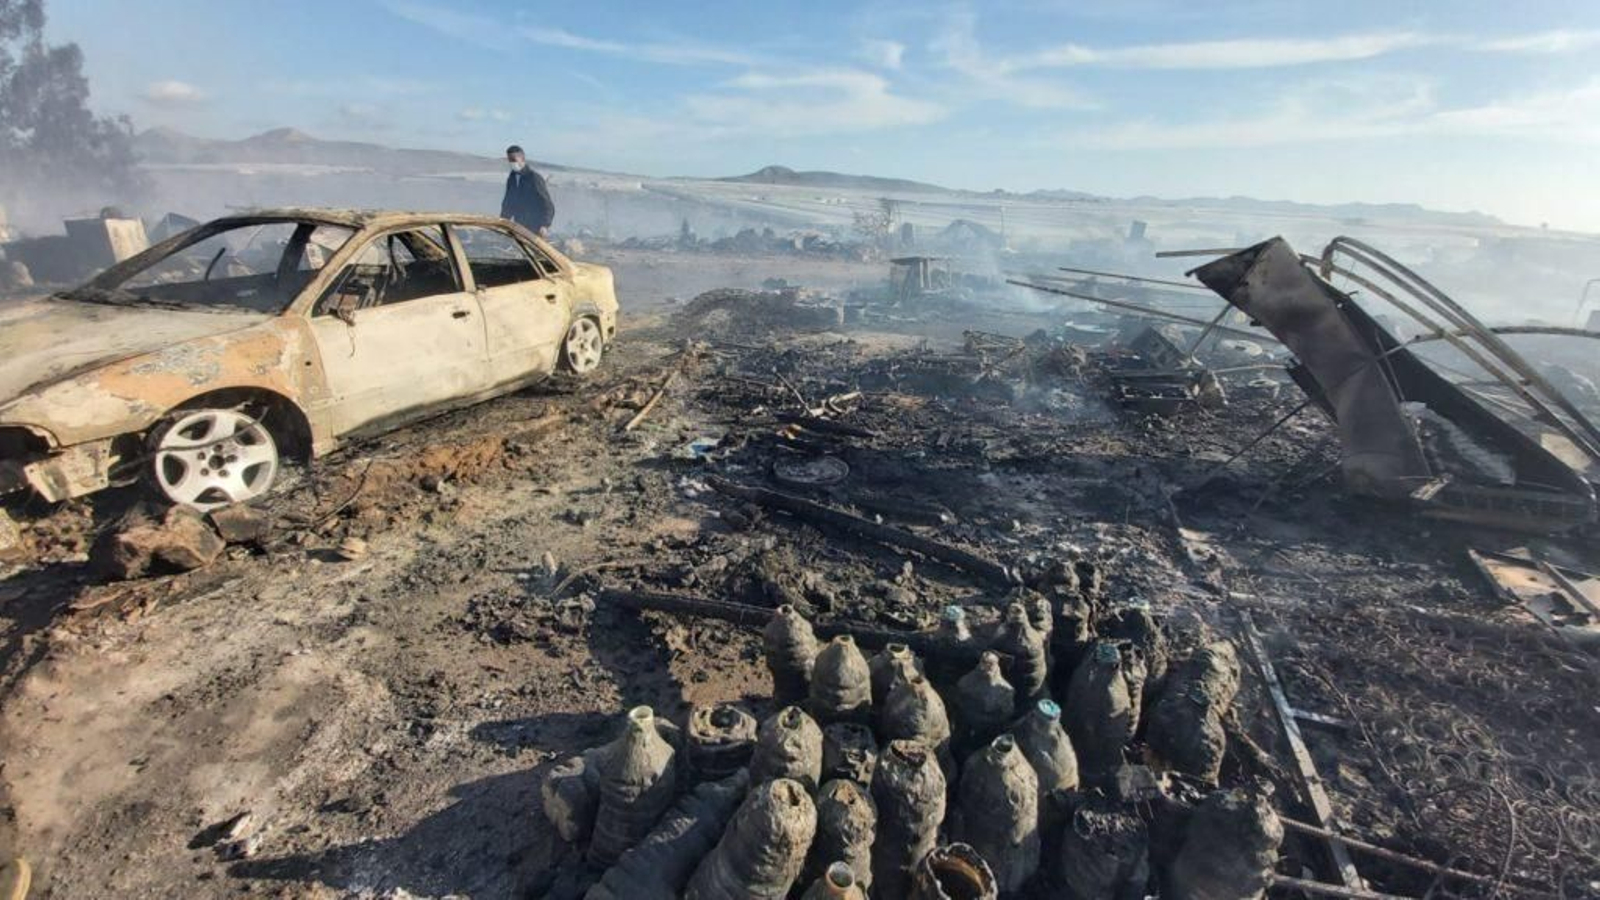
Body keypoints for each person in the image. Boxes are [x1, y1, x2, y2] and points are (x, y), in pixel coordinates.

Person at [500, 145, 554, 236]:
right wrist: (503, 221)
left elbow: (547, 203)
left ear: (522, 158)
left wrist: (545, 225)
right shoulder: (512, 178)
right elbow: (508, 201)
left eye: (514, 160)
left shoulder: (534, 178)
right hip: (520, 224)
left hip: (535, 225)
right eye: (509, 160)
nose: (511, 163)